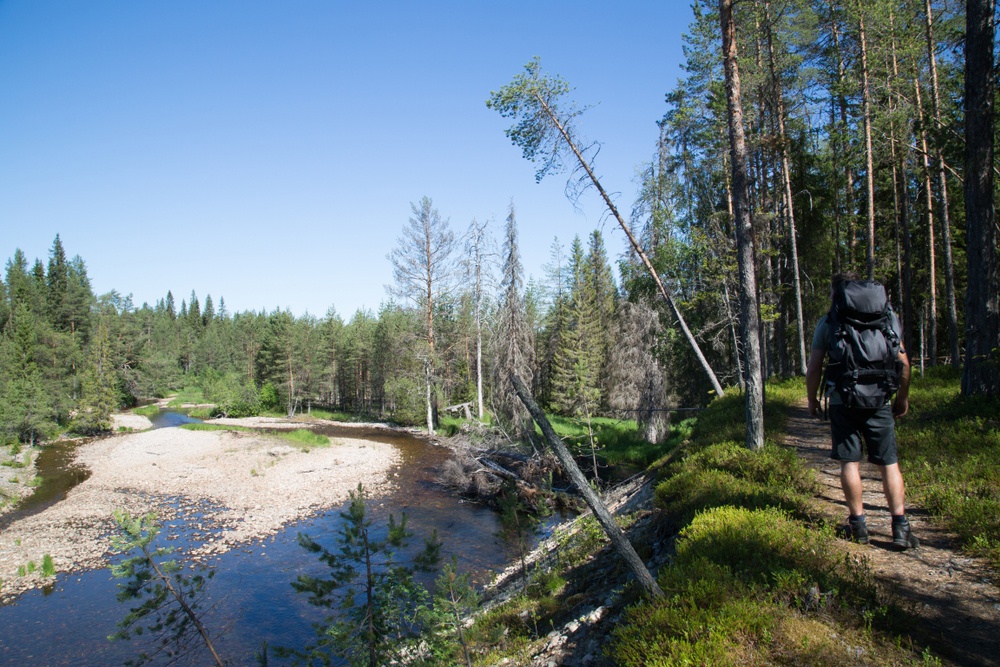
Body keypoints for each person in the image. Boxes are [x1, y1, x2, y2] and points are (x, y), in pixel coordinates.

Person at [805, 272, 918, 550]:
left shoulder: (830, 321)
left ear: (837, 293)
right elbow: (903, 362)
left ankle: (858, 525)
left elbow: (815, 366)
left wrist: (812, 399)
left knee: (849, 462)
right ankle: (900, 527)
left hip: (844, 399)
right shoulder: (887, 318)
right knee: (889, 462)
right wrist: (901, 398)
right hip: (879, 399)